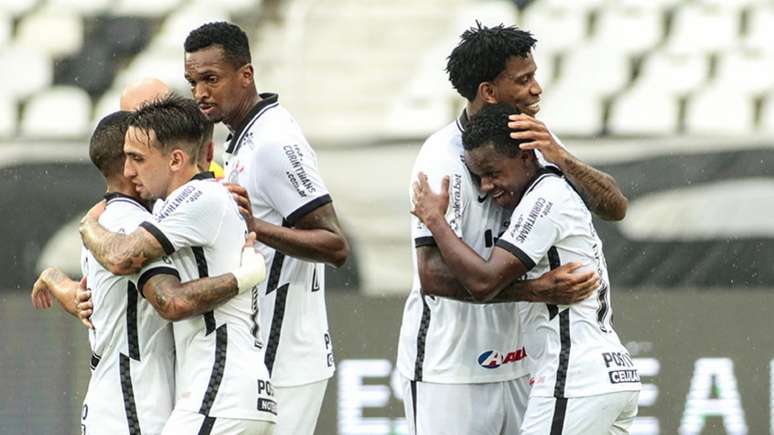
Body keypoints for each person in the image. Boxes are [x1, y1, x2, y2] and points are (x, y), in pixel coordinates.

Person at [396, 23, 629, 435]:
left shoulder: (535, 140)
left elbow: (614, 207)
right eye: (524, 80)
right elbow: (430, 275)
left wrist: (561, 156)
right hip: (450, 367)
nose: (537, 89)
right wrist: (535, 290)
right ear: (488, 91)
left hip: (524, 364)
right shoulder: (439, 158)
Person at [32, 110, 267, 434]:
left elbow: (86, 298)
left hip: (118, 396)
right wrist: (248, 276)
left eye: (140, 157)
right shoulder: (128, 227)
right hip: (135, 401)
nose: (135, 166)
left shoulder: (108, 223)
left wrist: (56, 278)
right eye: (134, 157)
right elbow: (169, 300)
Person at [183, 21, 350, 435]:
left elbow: (334, 245)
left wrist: (254, 226)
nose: (200, 93)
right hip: (263, 349)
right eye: (193, 82)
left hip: (286, 356)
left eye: (211, 79)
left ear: (246, 75)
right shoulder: (242, 137)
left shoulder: (274, 141)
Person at [120, 77, 225, 178]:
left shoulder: (215, 179)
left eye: (154, 116)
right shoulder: (126, 176)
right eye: (134, 120)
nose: (144, 125)